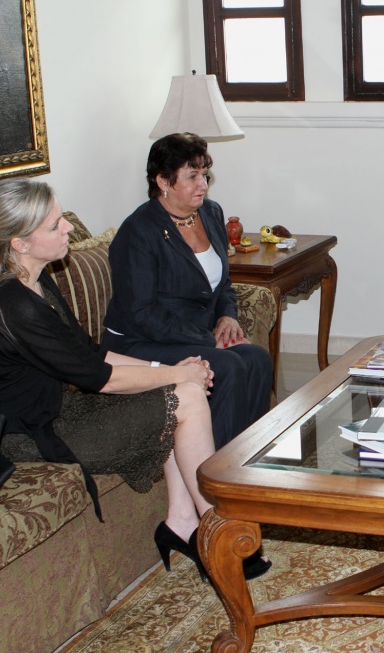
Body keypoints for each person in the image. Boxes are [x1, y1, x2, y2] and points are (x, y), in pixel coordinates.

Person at [0, 179, 269, 580]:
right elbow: (101, 378)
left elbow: (91, 353)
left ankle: (184, 523)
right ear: (20, 243)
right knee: (184, 395)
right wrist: (179, 373)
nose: (69, 228)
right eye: (55, 224)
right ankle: (218, 533)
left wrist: (167, 370)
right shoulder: (12, 305)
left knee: (180, 389)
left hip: (56, 408)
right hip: (30, 434)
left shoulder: (36, 281)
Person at [103, 133, 273, 449]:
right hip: (141, 341)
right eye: (192, 176)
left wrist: (226, 316)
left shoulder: (210, 213)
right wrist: (208, 340)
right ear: (163, 181)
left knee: (257, 358)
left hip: (191, 333)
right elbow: (142, 313)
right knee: (228, 365)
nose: (203, 185)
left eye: (205, 174)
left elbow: (222, 282)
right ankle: (214, 466)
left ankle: (249, 454)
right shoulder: (138, 232)